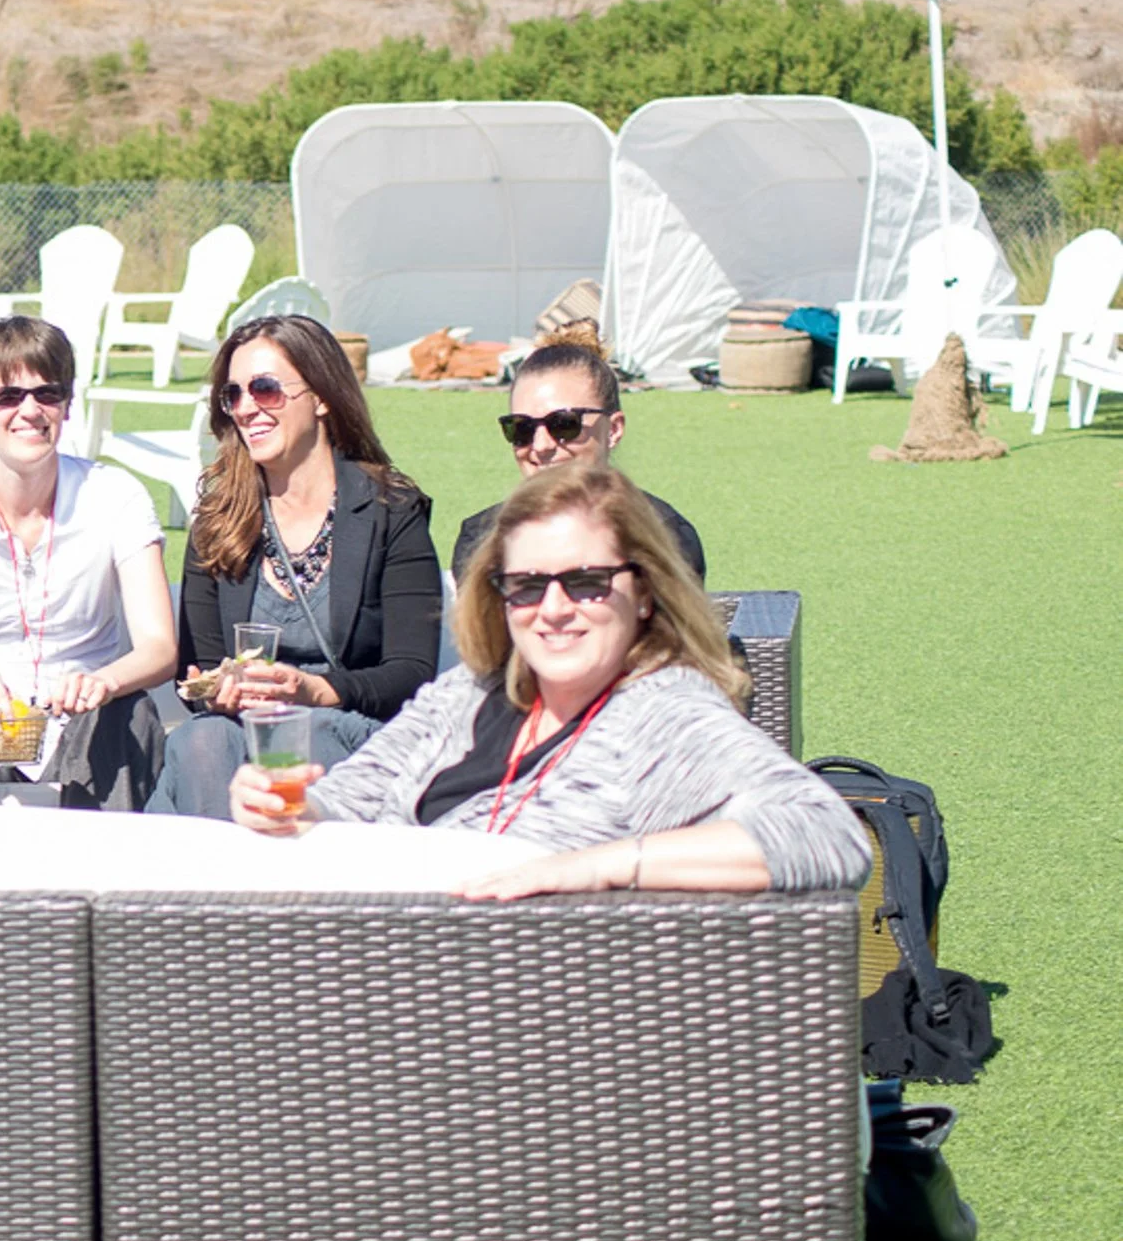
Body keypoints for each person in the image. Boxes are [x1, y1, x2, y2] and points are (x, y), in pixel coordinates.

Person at [232, 463, 868, 899]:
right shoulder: (472, 695)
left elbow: (827, 834)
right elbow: (347, 805)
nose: (555, 608)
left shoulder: (661, 711)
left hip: (535, 1031)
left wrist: (602, 867)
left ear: (643, 592)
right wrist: (282, 806)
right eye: (528, 586)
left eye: (587, 582)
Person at [146, 313, 441, 819]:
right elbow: (196, 675)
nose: (246, 408)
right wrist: (217, 691)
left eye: (265, 389)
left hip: (344, 728)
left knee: (309, 737)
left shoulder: (390, 511)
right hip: (238, 735)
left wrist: (314, 690)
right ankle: (229, 895)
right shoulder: (218, 522)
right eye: (232, 395)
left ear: (321, 396)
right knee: (204, 739)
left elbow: (412, 672)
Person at [0, 316, 177, 809]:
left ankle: (113, 879)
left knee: (131, 713)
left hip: (84, 717)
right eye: (7, 397)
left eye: (48, 394)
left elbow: (159, 648)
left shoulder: (116, 495)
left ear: (66, 405)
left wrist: (104, 681)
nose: (30, 411)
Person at [451, 321, 706, 582]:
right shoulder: (481, 542)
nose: (541, 446)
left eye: (564, 424)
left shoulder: (665, 538)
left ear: (613, 429)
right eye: (522, 428)